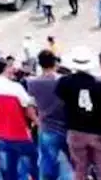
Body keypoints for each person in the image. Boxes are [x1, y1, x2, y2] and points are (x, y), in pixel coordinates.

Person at [56, 47, 101, 180]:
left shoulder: (64, 82)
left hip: (75, 129)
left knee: (80, 168)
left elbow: (61, 99)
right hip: (98, 130)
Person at [0, 59, 38, 180]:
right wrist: (38, 122)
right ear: (6, 69)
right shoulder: (15, 87)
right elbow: (29, 108)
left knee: (8, 171)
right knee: (32, 167)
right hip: (19, 133)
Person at [26, 50, 73, 180]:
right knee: (70, 165)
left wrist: (38, 121)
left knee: (47, 166)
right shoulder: (64, 80)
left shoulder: (32, 82)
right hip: (66, 127)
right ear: (55, 62)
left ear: (40, 64)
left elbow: (30, 106)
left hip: (46, 128)